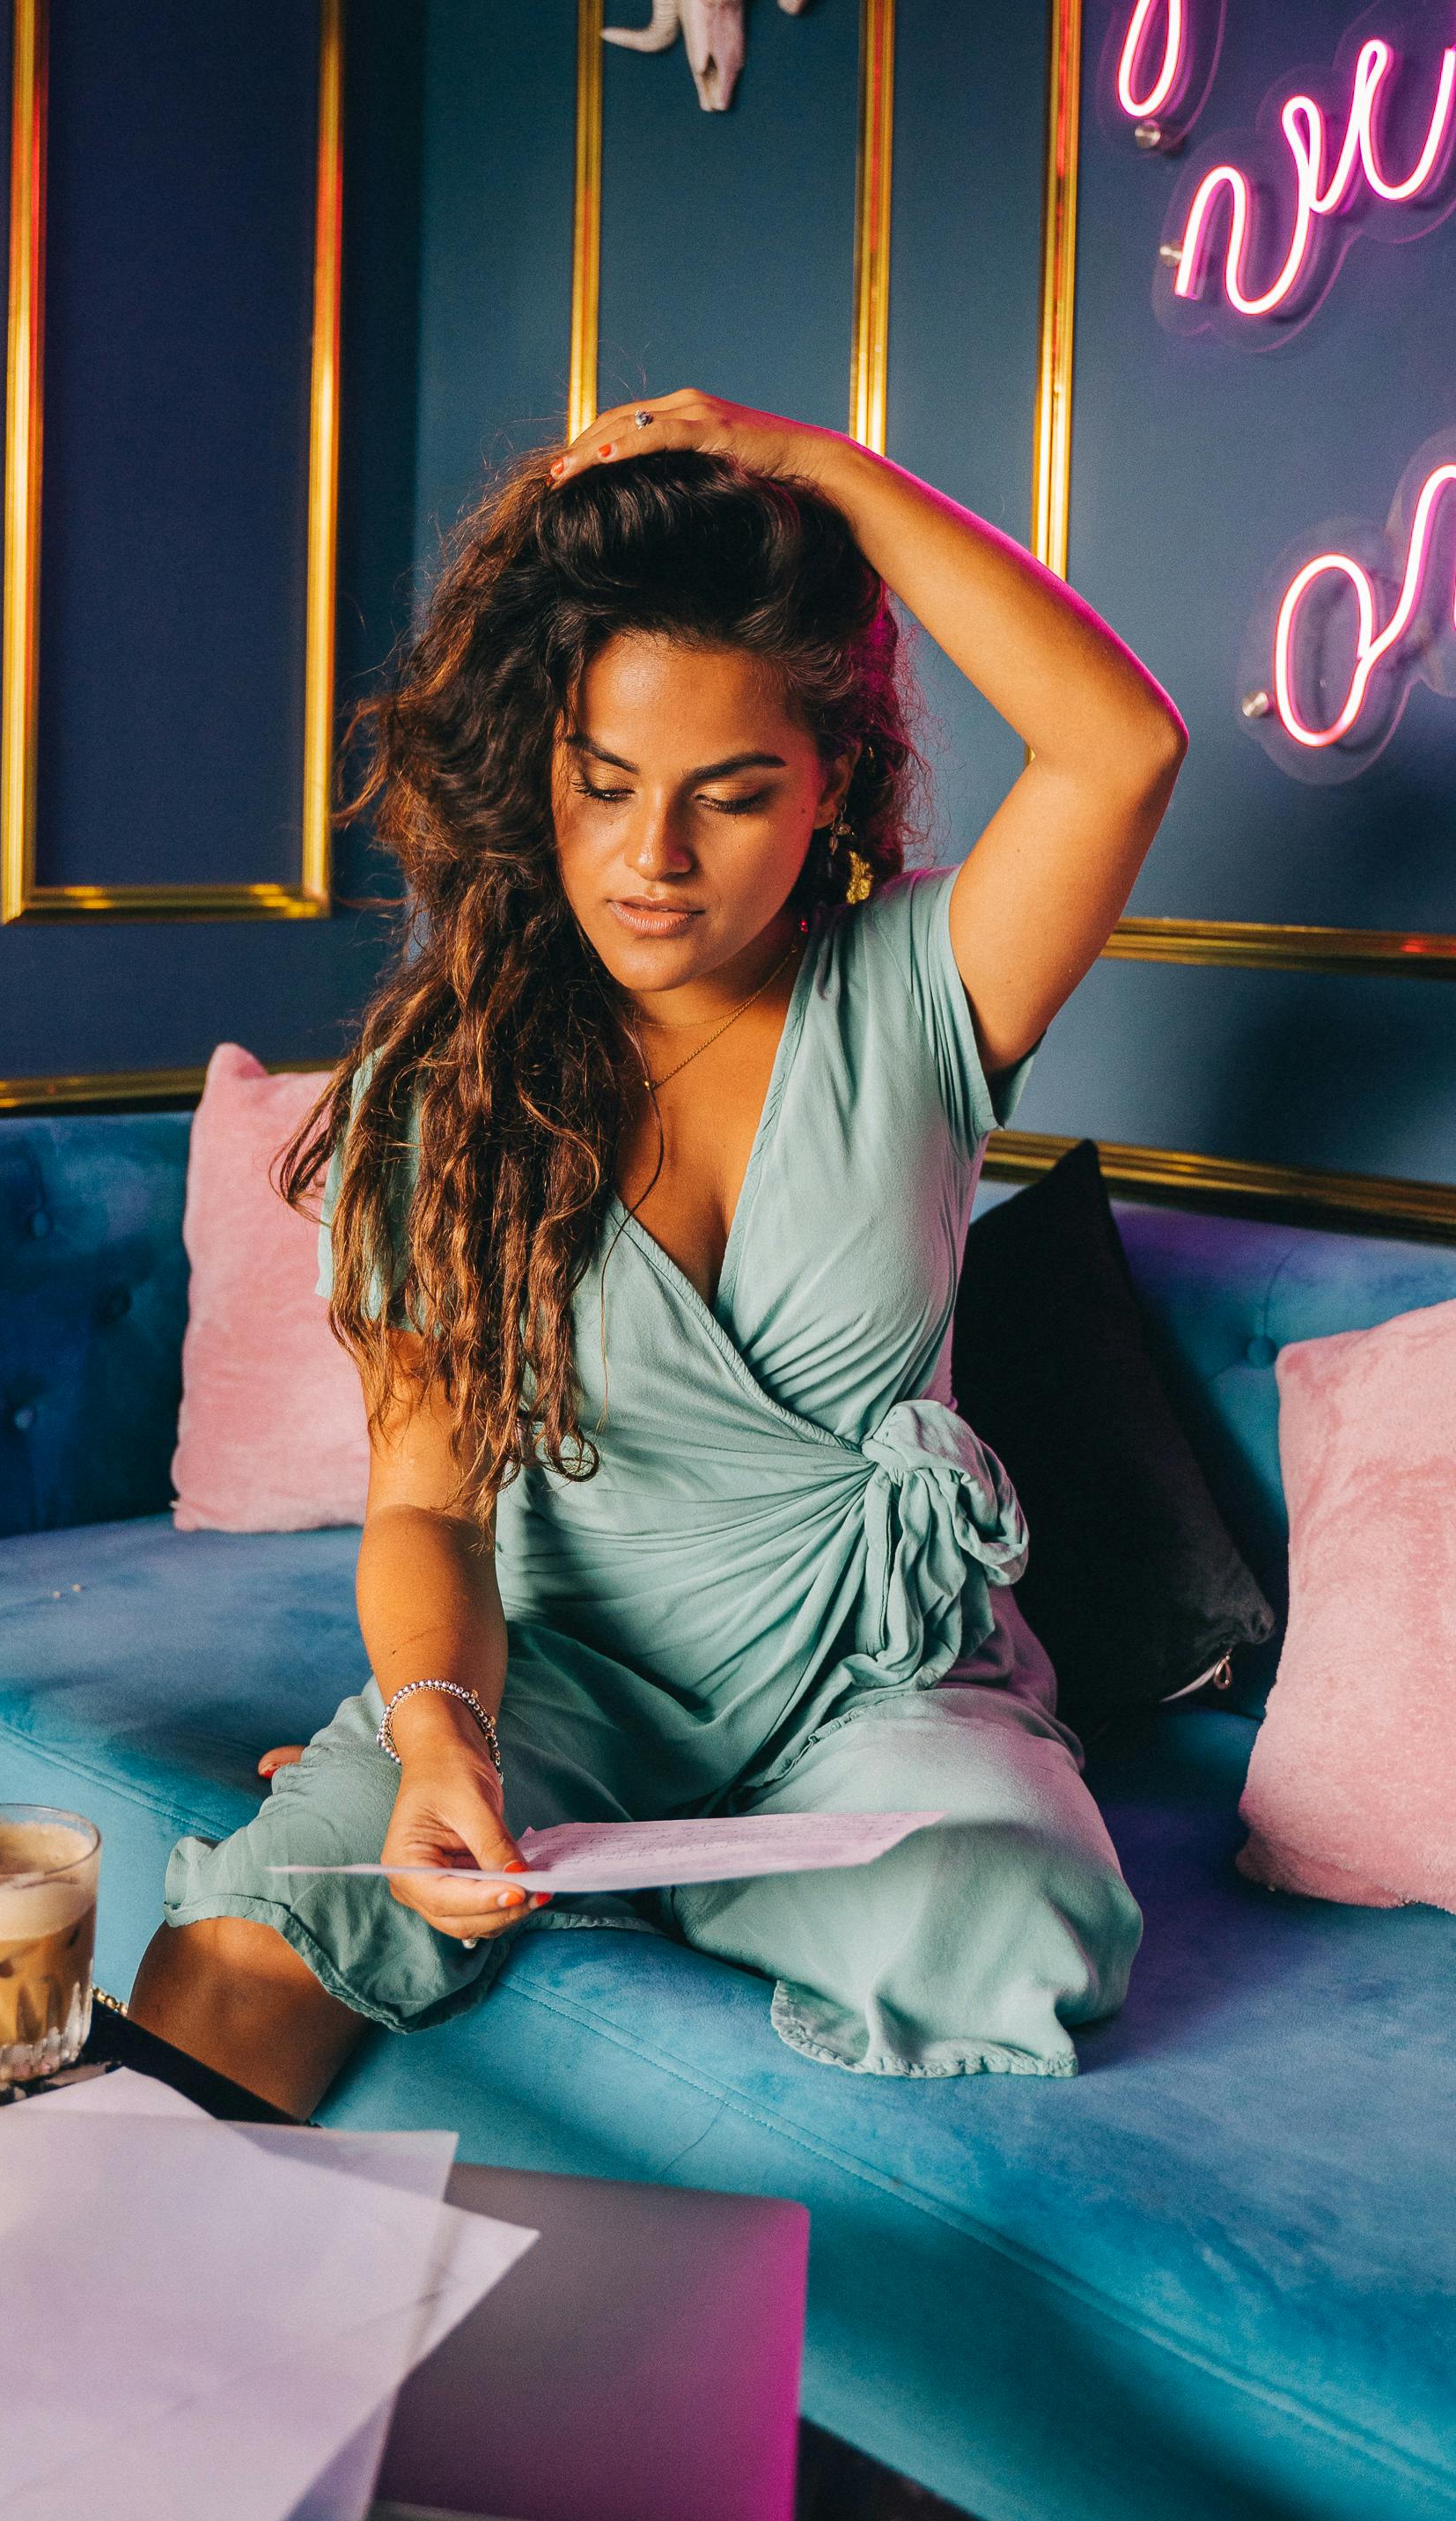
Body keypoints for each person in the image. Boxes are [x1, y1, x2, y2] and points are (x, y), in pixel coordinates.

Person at [129, 391, 1185, 2118]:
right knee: (257, 1938)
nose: (654, 859)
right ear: (534, 760)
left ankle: (647, 1868)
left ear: (829, 781)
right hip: (561, 1688)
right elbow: (430, 1508)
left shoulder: (923, 987)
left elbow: (1121, 750)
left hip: (880, 1691)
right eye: (603, 781)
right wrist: (434, 1732)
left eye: (732, 794)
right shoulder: (441, 1081)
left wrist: (823, 471)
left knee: (1017, 1914)